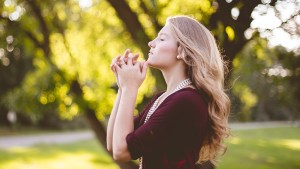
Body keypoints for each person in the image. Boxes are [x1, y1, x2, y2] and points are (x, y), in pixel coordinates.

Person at [106, 15, 230, 169]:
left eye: (162, 39)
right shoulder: (164, 98)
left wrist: (130, 88)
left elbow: (122, 151)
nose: (151, 43)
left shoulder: (186, 101)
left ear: (182, 51)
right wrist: (123, 87)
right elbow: (113, 143)